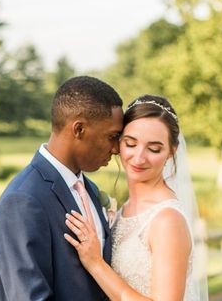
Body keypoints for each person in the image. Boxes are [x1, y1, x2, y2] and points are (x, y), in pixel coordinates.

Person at [0, 75, 124, 300]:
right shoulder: (23, 200)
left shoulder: (89, 189)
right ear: (79, 129)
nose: (116, 149)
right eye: (111, 137)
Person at [64, 94, 208, 301]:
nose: (139, 158)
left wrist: (95, 263)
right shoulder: (125, 209)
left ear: (171, 151)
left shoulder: (167, 220)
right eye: (131, 144)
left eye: (154, 149)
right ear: (118, 143)